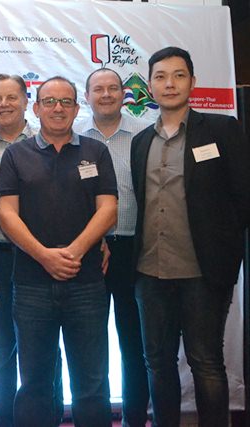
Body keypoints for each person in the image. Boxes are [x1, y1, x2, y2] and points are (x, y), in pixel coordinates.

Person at [130, 46, 250, 426]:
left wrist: (226, 257)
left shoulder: (221, 130)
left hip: (203, 273)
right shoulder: (140, 142)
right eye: (161, 76)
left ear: (193, 82)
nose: (170, 84)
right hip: (150, 273)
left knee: (206, 362)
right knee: (157, 363)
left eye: (178, 75)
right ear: (150, 86)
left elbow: (242, 197)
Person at [0, 76, 118, 426]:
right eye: (49, 101)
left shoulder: (96, 151)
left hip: (87, 283)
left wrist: (74, 252)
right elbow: (6, 214)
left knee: (92, 384)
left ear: (77, 109)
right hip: (31, 285)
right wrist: (45, 256)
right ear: (36, 108)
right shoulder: (16, 154)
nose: (58, 108)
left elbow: (108, 209)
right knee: (35, 384)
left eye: (66, 102)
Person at [76, 68, 151, 427]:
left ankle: (134, 418)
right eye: (98, 89)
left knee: (134, 343)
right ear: (86, 96)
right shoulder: (74, 137)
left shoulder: (145, 135)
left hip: (135, 248)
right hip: (88, 251)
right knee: (90, 345)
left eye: (112, 88)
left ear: (124, 94)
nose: (105, 95)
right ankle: (96, 419)